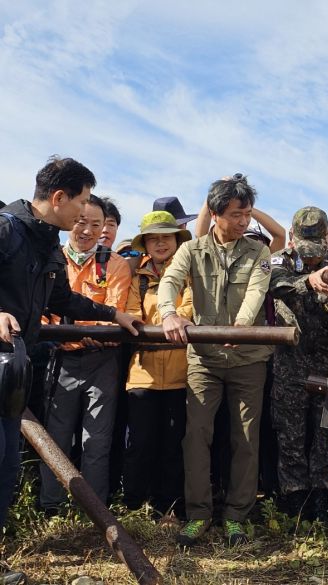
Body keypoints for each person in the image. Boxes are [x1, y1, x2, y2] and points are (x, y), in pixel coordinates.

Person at [0, 157, 138, 585]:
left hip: (12, 373)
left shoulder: (47, 247)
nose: (85, 212)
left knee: (4, 468)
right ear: (58, 198)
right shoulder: (5, 229)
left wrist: (113, 313)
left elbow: (64, 301)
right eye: (80, 201)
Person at [158, 174, 273, 547]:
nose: (244, 222)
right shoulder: (191, 249)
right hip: (203, 360)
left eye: (248, 214)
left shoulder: (259, 252)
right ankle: (198, 515)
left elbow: (256, 293)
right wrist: (168, 313)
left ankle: (238, 515)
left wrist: (239, 328)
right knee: (196, 436)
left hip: (248, 359)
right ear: (217, 213)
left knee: (245, 438)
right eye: (237, 214)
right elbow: (171, 281)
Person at [39, 195, 133, 512]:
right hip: (59, 358)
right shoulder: (52, 258)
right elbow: (41, 314)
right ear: (71, 219)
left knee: (97, 440)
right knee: (56, 436)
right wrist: (77, 331)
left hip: (102, 361)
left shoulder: (116, 264)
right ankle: (51, 507)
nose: (88, 230)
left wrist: (76, 329)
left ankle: (94, 511)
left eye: (97, 224)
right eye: (82, 221)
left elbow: (116, 311)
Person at [268, 207, 328, 521]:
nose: (311, 258)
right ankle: (294, 500)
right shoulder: (279, 261)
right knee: (291, 435)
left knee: (325, 437)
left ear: (326, 238)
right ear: (292, 235)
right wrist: (311, 280)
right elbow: (276, 287)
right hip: (289, 363)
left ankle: (323, 499)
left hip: (327, 362)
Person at [121, 211, 192, 519]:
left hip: (181, 372)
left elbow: (189, 309)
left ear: (177, 239)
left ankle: (169, 506)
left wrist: (168, 319)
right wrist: (169, 319)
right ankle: (134, 504)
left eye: (166, 236)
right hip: (142, 373)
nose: (160, 243)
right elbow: (131, 314)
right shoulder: (136, 277)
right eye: (153, 238)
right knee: (140, 443)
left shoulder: (190, 276)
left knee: (173, 444)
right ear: (145, 243)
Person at [192, 180, 287, 253]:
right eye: (249, 240)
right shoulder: (219, 255)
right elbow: (200, 236)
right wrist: (219, 194)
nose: (254, 245)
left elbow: (280, 234)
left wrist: (244, 207)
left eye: (259, 241)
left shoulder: (265, 259)